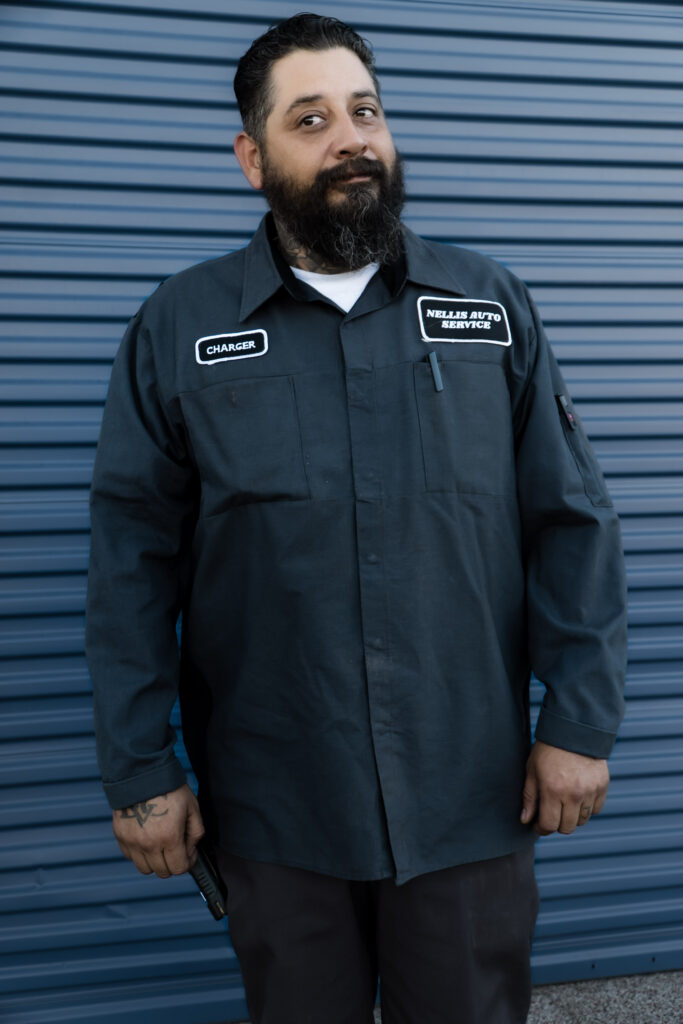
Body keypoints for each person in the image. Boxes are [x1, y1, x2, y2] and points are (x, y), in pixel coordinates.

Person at [86, 13, 628, 1024]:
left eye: (365, 111)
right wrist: (140, 770)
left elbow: (572, 522)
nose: (351, 137)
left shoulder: (484, 305)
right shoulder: (178, 327)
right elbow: (130, 565)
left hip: (467, 794)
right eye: (311, 118)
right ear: (253, 158)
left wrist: (578, 720)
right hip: (276, 804)